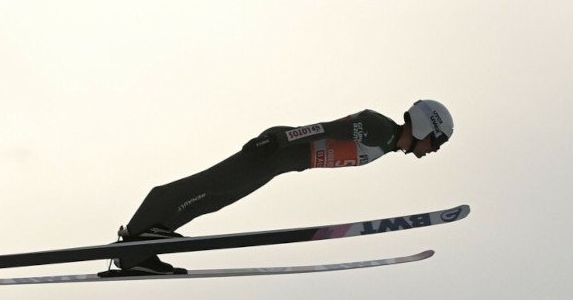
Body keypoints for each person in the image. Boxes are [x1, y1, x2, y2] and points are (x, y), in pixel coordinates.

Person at [114, 99, 454, 274]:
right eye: (435, 143)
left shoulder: (387, 143)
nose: (432, 151)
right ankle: (139, 235)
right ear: (426, 127)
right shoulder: (379, 128)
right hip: (277, 151)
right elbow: (326, 128)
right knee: (212, 185)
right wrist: (278, 140)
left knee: (218, 198)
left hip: (283, 160)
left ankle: (142, 248)